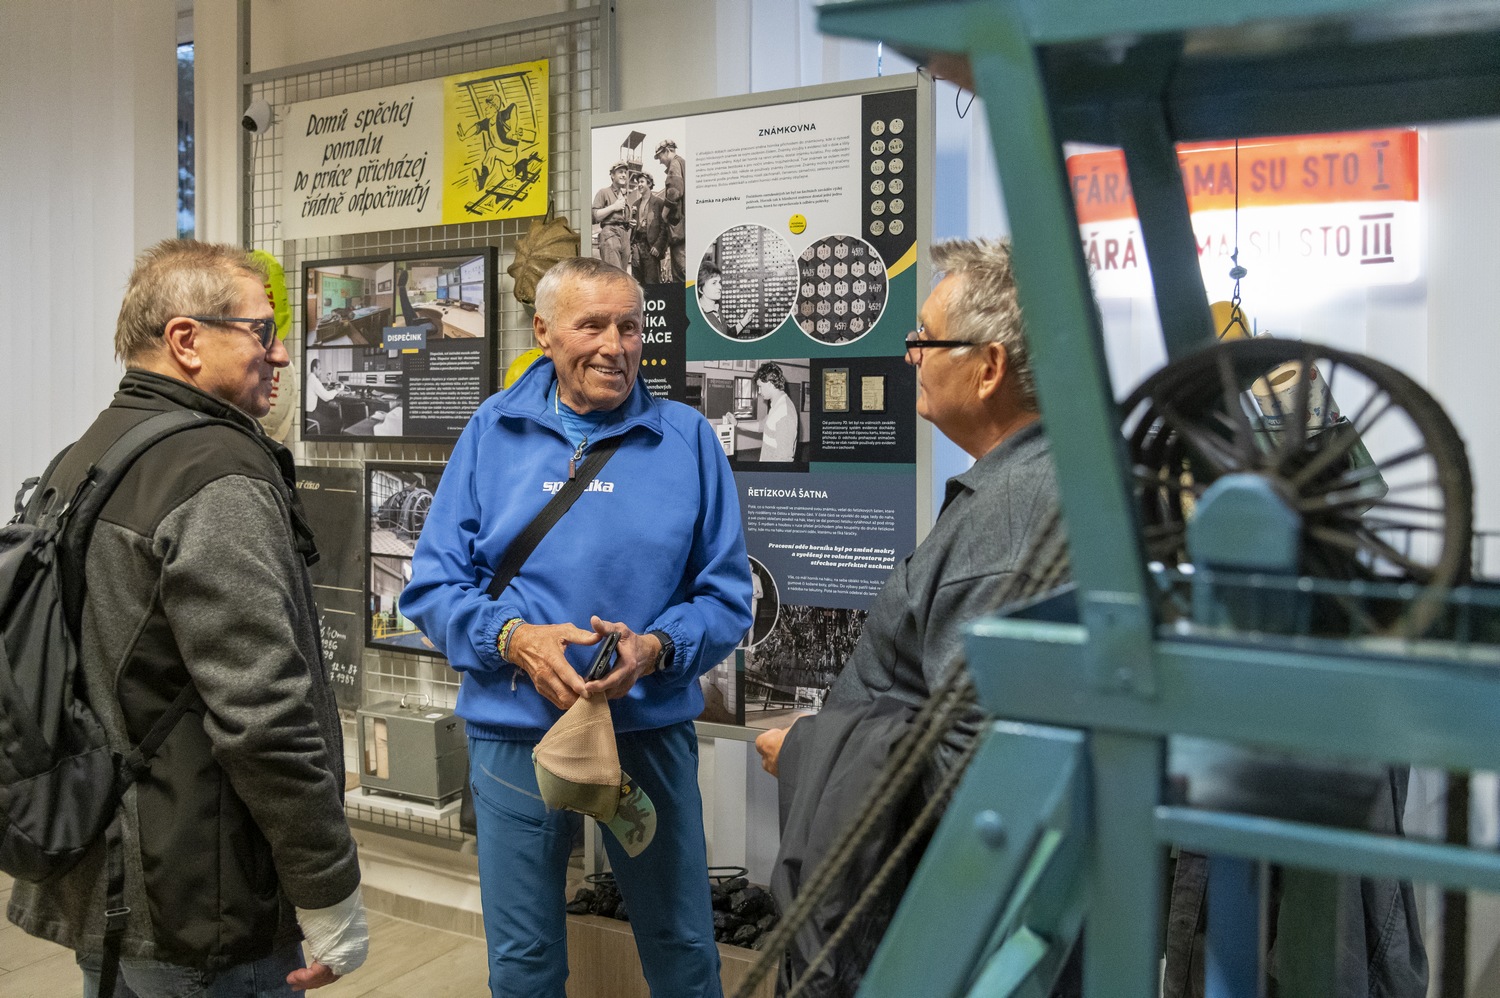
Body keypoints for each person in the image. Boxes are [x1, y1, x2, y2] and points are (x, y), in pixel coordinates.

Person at [6, 239, 368, 995]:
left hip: (103, 870)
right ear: (186, 341)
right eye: (263, 331)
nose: (282, 356)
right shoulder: (219, 476)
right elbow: (263, 712)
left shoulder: (88, 455)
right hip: (201, 898)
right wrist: (328, 888)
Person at [400, 255, 753, 998]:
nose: (615, 345)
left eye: (629, 326)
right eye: (591, 325)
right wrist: (514, 640)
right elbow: (432, 586)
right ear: (545, 333)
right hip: (514, 732)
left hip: (646, 732)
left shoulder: (687, 440)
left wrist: (657, 648)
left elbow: (726, 598)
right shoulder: (492, 432)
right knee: (525, 962)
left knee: (684, 945)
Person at [754, 238, 1061, 996]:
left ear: (988, 368)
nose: (910, 354)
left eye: (925, 336)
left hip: (940, 932)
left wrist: (809, 749)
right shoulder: (1032, 487)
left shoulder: (1009, 518)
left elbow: (976, 774)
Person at [723, 362, 798, 462]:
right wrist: (736, 423)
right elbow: (761, 426)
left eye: (760, 386)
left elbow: (784, 458)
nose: (759, 391)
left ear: (770, 384)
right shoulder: (777, 405)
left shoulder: (784, 412)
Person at [591, 160, 634, 271]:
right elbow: (595, 216)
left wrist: (629, 223)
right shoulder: (603, 192)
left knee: (623, 275)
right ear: (612, 175)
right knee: (614, 274)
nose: (624, 175)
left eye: (625, 172)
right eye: (620, 172)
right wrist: (613, 207)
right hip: (610, 234)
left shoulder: (625, 197)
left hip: (624, 235)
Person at [629, 172, 670, 285]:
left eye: (642, 182)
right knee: (636, 283)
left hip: (651, 249)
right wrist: (630, 224)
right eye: (638, 183)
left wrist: (658, 246)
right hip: (637, 247)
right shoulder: (635, 204)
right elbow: (631, 227)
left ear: (650, 183)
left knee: (652, 283)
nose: (639, 185)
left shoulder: (659, 203)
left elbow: (664, 227)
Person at [697, 260, 755, 337]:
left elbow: (726, 334)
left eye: (719, 282)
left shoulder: (716, 308)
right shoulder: (700, 316)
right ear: (701, 289)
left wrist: (744, 321)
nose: (720, 287)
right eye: (714, 283)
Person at [655, 139, 686, 281]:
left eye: (660, 156)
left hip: (679, 227)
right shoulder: (683, 163)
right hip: (685, 225)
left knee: (680, 272)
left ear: (667, 151)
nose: (660, 161)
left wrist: (664, 212)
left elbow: (674, 191)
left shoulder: (675, 163)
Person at [305, 355, 345, 434]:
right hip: (310, 415)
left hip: (307, 413)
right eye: (319, 369)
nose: (320, 372)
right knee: (336, 423)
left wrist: (329, 382)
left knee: (328, 416)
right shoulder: (314, 380)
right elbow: (326, 397)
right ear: (315, 369)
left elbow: (321, 389)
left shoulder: (310, 377)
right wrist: (338, 390)